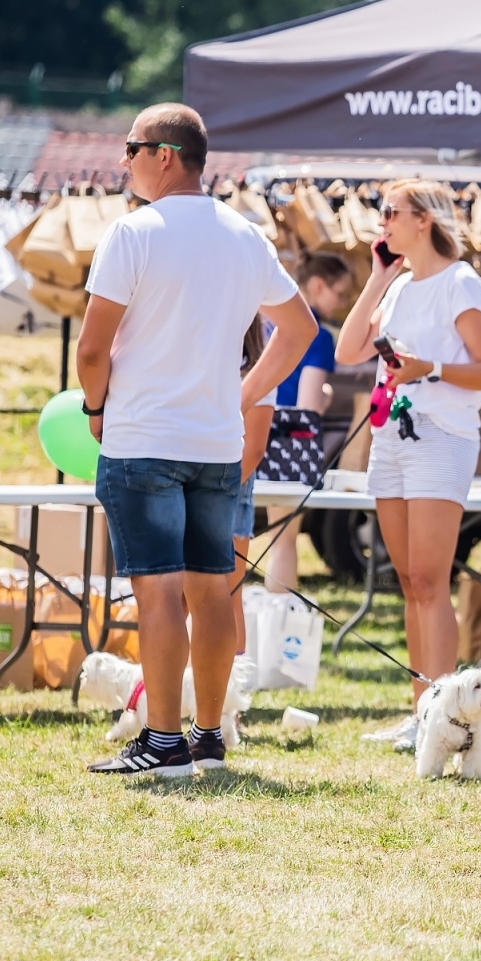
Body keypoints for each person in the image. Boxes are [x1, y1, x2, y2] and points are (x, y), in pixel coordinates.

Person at [76, 104, 314, 777]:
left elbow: (92, 349)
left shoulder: (134, 233)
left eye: (131, 147)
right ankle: (208, 734)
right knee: (214, 596)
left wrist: (95, 409)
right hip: (216, 442)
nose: (123, 160)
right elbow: (298, 331)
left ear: (164, 154)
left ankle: (161, 742)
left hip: (144, 435)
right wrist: (242, 393)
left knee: (158, 595)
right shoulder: (245, 235)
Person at [334, 179, 481, 751]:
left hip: (442, 437)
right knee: (409, 582)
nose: (381, 221)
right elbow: (348, 350)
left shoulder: (462, 284)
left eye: (390, 212)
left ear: (425, 219)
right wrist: (379, 277)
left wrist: (428, 368)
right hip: (394, 439)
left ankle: (445, 720)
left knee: (431, 581)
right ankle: (422, 713)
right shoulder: (401, 285)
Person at [265, 252, 350, 594]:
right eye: (341, 293)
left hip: (241, 429)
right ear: (318, 285)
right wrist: (327, 396)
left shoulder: (261, 320)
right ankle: (277, 623)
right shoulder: (318, 335)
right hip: (286, 441)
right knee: (282, 542)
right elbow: (309, 406)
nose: (344, 303)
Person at [225, 318, 277, 722]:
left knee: (228, 596)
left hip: (227, 490)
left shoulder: (257, 366)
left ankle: (231, 703)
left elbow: (254, 450)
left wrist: (213, 493)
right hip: (192, 484)